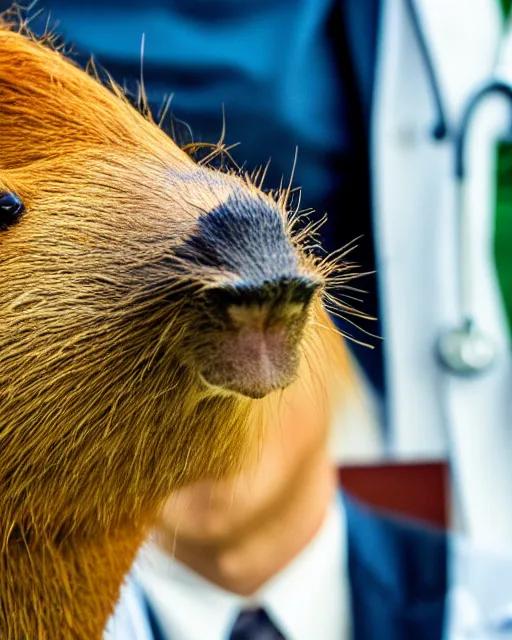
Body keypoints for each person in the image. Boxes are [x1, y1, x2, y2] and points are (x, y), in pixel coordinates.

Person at [104, 335, 448, 640]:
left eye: (253, 325)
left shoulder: (490, 600)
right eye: (131, 352)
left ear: (335, 344)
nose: (193, 404)